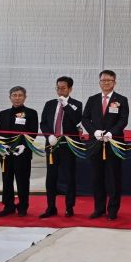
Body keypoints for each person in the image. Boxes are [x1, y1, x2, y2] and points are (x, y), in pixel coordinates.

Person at [81, 70, 129, 220]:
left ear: (115, 82)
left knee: (113, 178)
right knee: (97, 178)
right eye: (103, 80)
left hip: (113, 143)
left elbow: (123, 120)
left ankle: (113, 210)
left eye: (109, 80)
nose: (106, 82)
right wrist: (94, 132)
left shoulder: (121, 100)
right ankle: (99, 208)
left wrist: (111, 133)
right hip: (95, 144)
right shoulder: (92, 99)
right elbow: (85, 119)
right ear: (99, 82)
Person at [39, 76, 82, 218]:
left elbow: (77, 120)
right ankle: (51, 207)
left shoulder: (76, 104)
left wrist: (66, 105)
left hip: (68, 145)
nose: (60, 90)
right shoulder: (50, 104)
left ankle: (69, 207)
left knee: (69, 176)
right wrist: (49, 136)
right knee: (51, 177)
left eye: (63, 88)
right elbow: (43, 123)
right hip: (52, 144)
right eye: (58, 88)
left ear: (70, 89)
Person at [0, 86, 39, 217]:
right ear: (10, 97)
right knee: (6, 180)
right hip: (6, 153)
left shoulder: (31, 113)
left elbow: (33, 133)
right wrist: (1, 147)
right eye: (14, 95)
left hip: (22, 153)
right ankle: (8, 206)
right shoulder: (3, 114)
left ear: (25, 97)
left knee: (22, 180)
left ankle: (23, 206)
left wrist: (23, 146)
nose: (17, 98)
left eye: (20, 95)